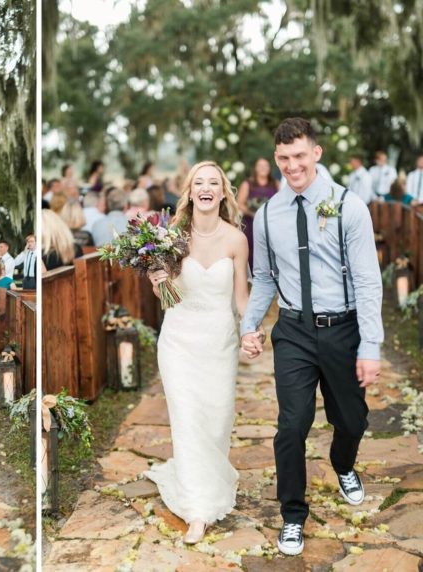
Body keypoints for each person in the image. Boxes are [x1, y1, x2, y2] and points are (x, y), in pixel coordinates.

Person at [240, 118, 382, 557]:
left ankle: (343, 465)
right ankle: (292, 516)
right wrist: (250, 325)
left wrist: (370, 345)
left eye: (299, 155)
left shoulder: (349, 206)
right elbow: (263, 277)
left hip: (343, 329)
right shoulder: (266, 215)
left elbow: (367, 279)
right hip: (295, 330)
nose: (291, 165)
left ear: (316, 153)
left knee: (352, 420)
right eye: (283, 158)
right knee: (291, 425)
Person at [145, 161, 250, 546]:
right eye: (198, 183)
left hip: (219, 342)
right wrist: (158, 281)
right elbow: (166, 295)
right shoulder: (172, 236)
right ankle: (197, 510)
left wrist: (252, 331)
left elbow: (241, 300)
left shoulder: (237, 240)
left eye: (214, 183)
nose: (206, 188)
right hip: (179, 342)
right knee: (187, 420)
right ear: (189, 193)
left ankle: (211, 477)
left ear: (223, 193)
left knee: (217, 420)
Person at [237, 158, 280, 271]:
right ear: (255, 168)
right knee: (252, 248)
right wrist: (252, 213)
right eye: (260, 166)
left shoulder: (275, 184)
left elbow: (281, 202)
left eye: (265, 166)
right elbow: (239, 203)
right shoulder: (247, 184)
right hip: (251, 223)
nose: (263, 168)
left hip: (270, 224)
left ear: (269, 168)